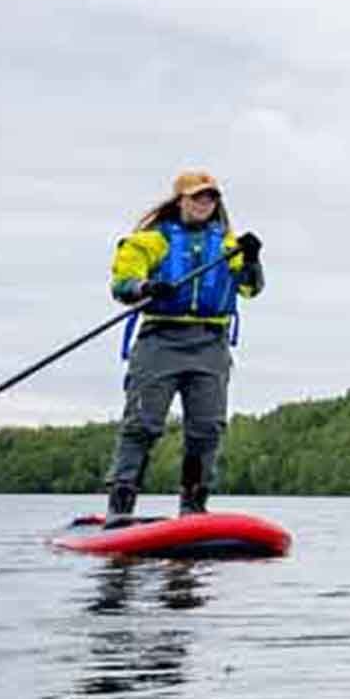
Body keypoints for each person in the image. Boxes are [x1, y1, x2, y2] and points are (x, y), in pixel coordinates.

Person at [100, 167, 263, 520]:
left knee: (207, 429)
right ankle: (120, 506)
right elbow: (122, 284)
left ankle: (193, 506)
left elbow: (250, 289)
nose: (205, 203)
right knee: (142, 424)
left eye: (210, 197)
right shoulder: (150, 241)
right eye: (197, 197)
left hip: (210, 344)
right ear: (180, 201)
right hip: (160, 340)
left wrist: (251, 259)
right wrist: (146, 288)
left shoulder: (228, 245)